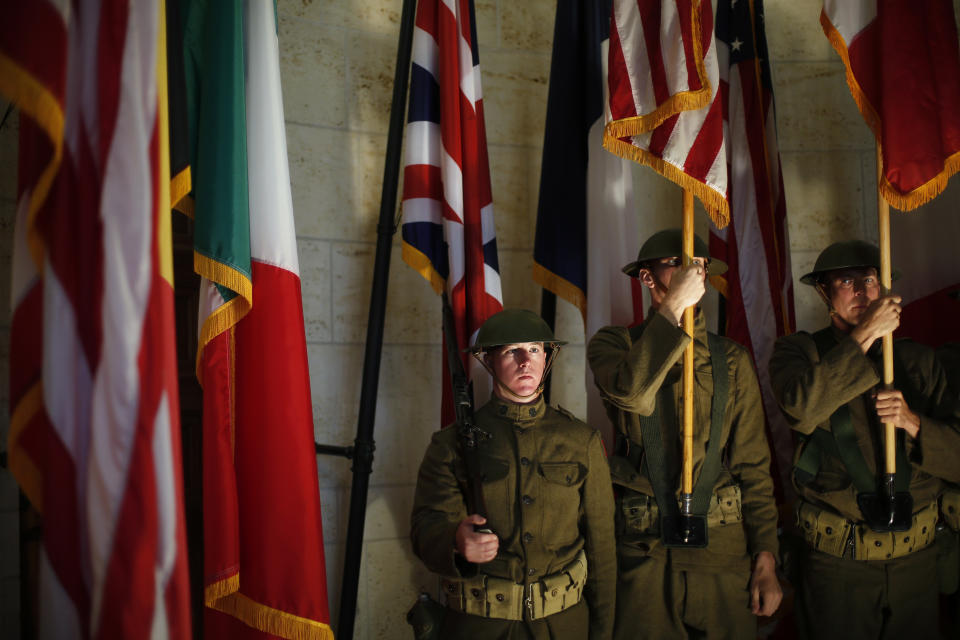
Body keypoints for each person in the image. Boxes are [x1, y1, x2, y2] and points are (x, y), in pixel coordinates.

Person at [587, 229, 781, 640]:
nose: (693, 272)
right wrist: (673, 307)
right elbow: (633, 394)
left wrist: (766, 559)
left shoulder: (730, 358)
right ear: (647, 278)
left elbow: (753, 467)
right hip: (646, 550)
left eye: (699, 265)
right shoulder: (613, 344)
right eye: (676, 264)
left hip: (722, 551)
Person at [768, 239, 960, 640]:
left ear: (885, 288)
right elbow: (801, 409)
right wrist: (867, 334)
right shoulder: (798, 353)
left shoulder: (921, 361)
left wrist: (914, 423)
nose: (861, 291)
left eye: (871, 280)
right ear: (824, 291)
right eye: (846, 281)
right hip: (840, 565)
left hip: (917, 561)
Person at [411, 309, 616, 639]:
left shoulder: (581, 441)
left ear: (547, 355)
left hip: (563, 626)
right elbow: (425, 528)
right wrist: (455, 540)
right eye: (511, 351)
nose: (526, 361)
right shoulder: (451, 444)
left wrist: (603, 633)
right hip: (481, 625)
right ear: (489, 361)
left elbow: (602, 549)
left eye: (534, 349)